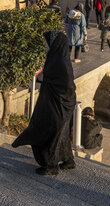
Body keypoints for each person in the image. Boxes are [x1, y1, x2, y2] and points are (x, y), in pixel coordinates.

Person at [12, 30, 76, 176]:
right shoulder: (57, 57)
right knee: (61, 132)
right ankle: (68, 161)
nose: (44, 45)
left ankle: (52, 165)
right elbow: (46, 77)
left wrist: (47, 78)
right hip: (57, 103)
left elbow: (66, 84)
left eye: (46, 42)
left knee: (52, 131)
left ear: (54, 44)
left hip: (59, 104)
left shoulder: (59, 61)